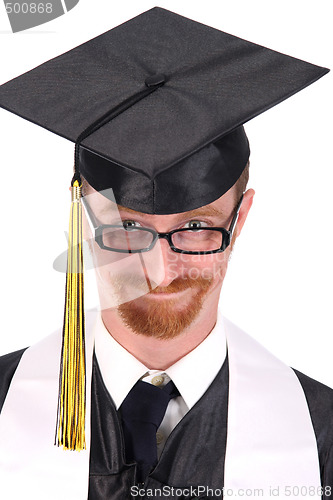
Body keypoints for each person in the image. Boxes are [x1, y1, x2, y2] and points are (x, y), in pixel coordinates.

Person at [0, 7, 332, 500]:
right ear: (85, 223)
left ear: (238, 221)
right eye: (129, 227)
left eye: (195, 227)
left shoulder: (321, 436)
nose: (158, 270)